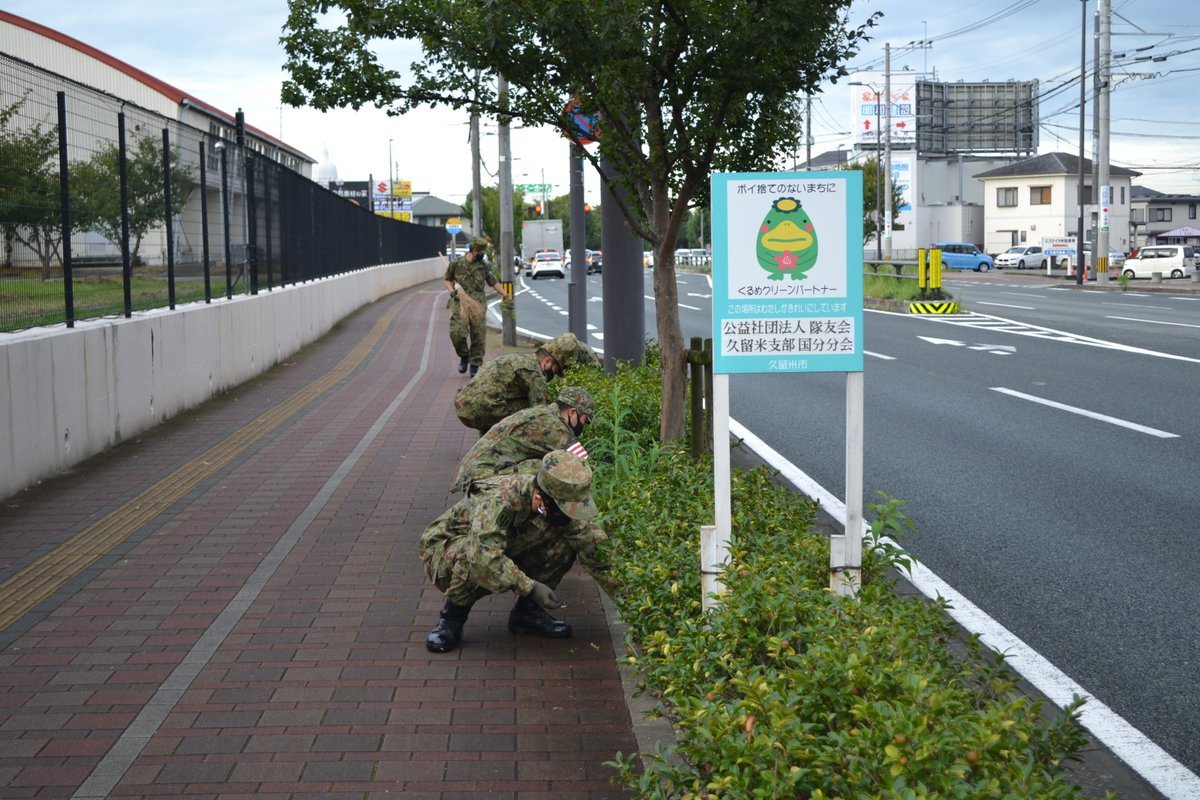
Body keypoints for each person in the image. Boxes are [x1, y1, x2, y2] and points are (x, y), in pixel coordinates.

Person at [420, 450, 611, 652]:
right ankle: (451, 620)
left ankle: (528, 615)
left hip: (503, 543)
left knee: (565, 543)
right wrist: (530, 587)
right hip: (446, 549)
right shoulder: (499, 500)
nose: (568, 515)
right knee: (474, 557)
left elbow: (590, 546)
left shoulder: (556, 495)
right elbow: (484, 557)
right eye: (564, 510)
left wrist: (628, 599)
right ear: (539, 499)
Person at [452, 386, 595, 494]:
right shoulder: (554, 427)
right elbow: (584, 465)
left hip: (476, 469)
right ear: (572, 412)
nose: (583, 426)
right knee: (548, 467)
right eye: (584, 420)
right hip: (482, 477)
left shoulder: (542, 413)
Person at [452, 334, 579, 433]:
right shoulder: (534, 373)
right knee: (529, 411)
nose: (554, 375)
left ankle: (490, 439)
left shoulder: (516, 358)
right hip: (478, 410)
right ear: (547, 362)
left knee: (502, 398)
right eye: (556, 370)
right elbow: (543, 415)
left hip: (463, 404)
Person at [444, 236, 510, 377]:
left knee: (478, 335)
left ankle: (474, 364)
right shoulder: (456, 263)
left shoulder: (484, 266)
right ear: (473, 250)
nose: (483, 254)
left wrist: (506, 295)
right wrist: (452, 292)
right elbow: (447, 280)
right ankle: (464, 355)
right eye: (480, 252)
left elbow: (494, 282)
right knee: (457, 333)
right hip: (460, 302)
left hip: (478, 304)